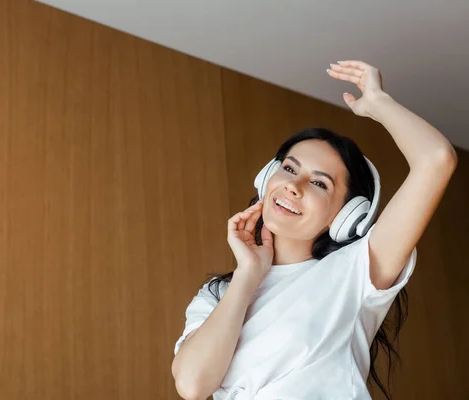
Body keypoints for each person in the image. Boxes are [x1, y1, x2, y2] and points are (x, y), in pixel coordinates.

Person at [171, 60, 458, 400]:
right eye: (290, 168)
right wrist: (248, 275)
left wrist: (378, 104)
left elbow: (436, 159)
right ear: (267, 179)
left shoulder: (357, 271)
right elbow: (192, 385)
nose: (294, 185)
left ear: (346, 217)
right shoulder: (217, 295)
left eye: (319, 184)